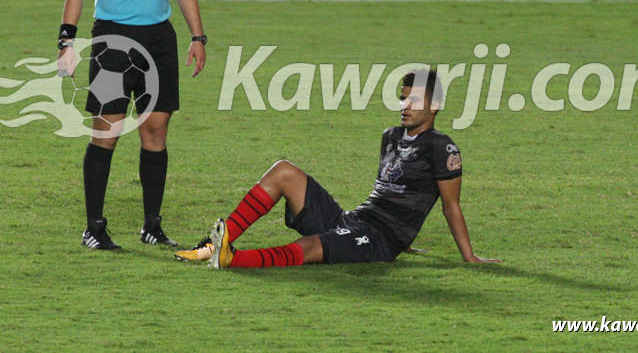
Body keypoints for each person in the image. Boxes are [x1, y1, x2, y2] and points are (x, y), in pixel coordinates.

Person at [175, 69, 500, 268]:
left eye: (413, 100)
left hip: (380, 240)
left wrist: (466, 256)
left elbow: (450, 205)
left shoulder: (441, 148)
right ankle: (215, 243)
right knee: (284, 170)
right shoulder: (391, 136)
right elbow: (390, 193)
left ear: (435, 105)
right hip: (354, 220)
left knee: (311, 248)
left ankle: (231, 259)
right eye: (402, 99)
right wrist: (409, 235)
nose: (404, 106)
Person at [57, 0, 207, 250]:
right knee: (106, 132)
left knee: (155, 131)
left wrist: (198, 36)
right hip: (114, 40)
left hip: (159, 39)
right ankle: (94, 227)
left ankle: (152, 226)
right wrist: (66, 42)